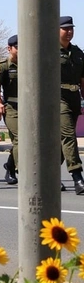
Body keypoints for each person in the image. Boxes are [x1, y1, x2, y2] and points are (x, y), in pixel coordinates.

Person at [58, 16, 84, 195]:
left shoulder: (77, 52)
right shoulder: (48, 51)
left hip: (74, 96)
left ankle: (49, 175)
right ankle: (77, 176)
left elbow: (83, 79)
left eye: (71, 29)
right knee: (68, 135)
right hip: (57, 97)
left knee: (63, 141)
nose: (69, 32)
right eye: (65, 29)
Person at [0, 34, 19, 185]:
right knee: (20, 139)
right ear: (9, 48)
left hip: (30, 108)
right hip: (12, 107)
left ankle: (10, 166)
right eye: (17, 47)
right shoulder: (3, 65)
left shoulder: (30, 63)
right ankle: (27, 172)